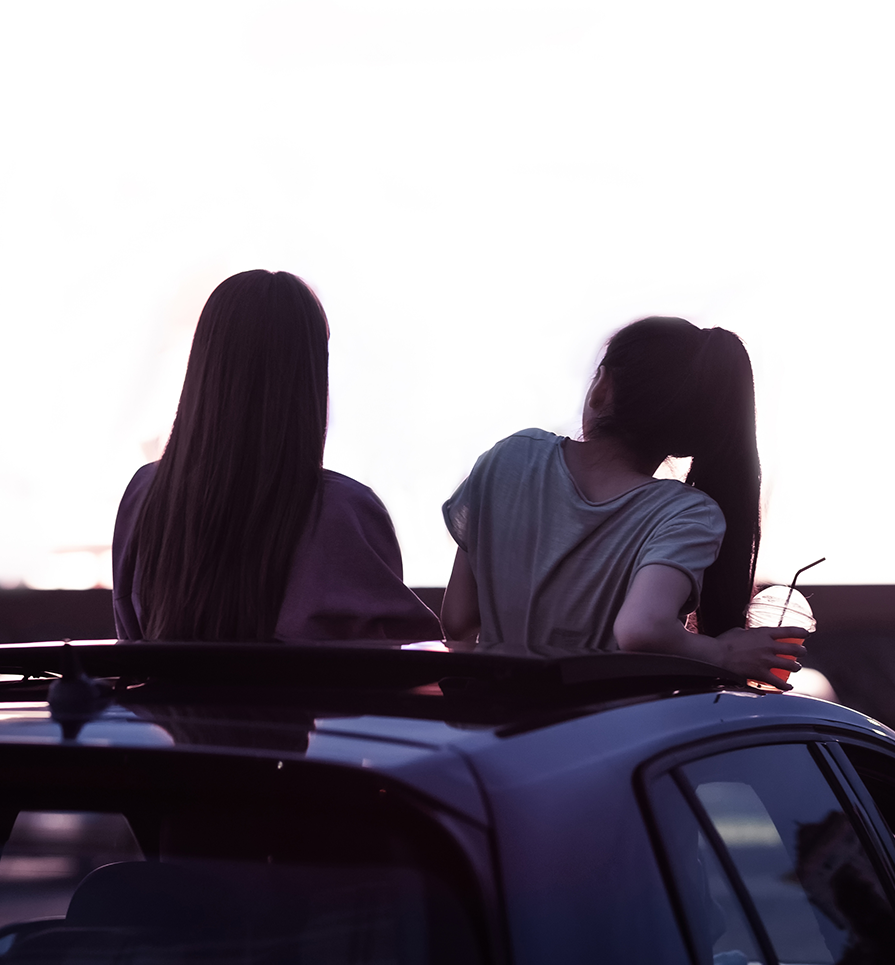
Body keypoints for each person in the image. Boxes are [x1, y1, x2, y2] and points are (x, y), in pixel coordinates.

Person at [440, 316, 805, 686]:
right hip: (612, 733)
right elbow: (641, 629)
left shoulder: (510, 458)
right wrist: (724, 653)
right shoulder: (684, 514)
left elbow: (458, 620)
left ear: (602, 387)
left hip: (492, 721)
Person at [111, 270, 440, 643]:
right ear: (311, 372)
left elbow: (131, 643)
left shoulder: (145, 494)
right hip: (310, 703)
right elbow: (403, 659)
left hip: (164, 703)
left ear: (204, 361)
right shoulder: (347, 511)